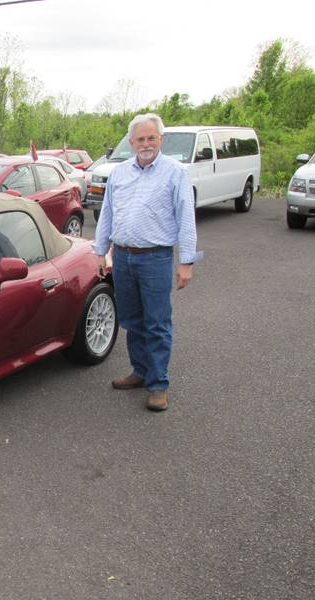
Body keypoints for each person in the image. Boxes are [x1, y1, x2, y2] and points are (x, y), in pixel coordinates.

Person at [93, 113, 202, 412]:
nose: (146, 143)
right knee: (131, 320)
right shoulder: (119, 173)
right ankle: (140, 372)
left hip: (156, 258)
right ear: (131, 142)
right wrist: (101, 251)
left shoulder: (175, 172)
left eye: (151, 138)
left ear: (161, 140)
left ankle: (158, 384)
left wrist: (187, 262)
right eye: (140, 139)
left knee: (157, 324)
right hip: (124, 258)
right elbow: (108, 213)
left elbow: (185, 218)